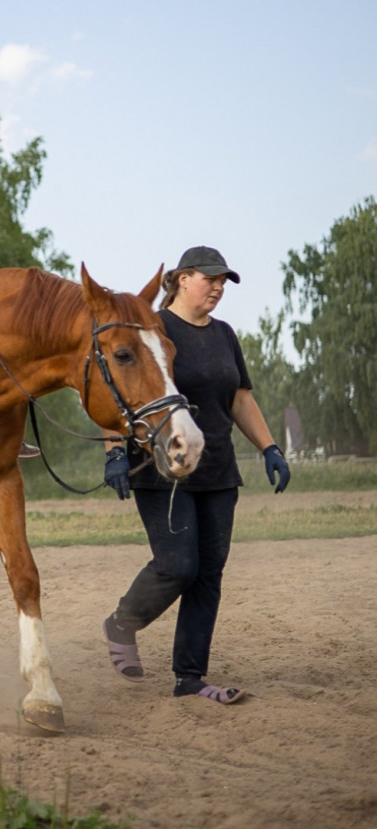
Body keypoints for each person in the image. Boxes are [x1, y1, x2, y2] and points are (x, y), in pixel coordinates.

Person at [101, 246, 290, 705]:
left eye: (224, 280)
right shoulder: (154, 327)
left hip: (219, 469)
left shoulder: (224, 335)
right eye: (210, 278)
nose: (219, 286)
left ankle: (190, 678)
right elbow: (118, 388)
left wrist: (269, 446)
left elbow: (239, 399)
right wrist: (113, 451)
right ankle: (122, 622)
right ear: (182, 279)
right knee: (178, 565)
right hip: (164, 468)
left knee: (208, 574)